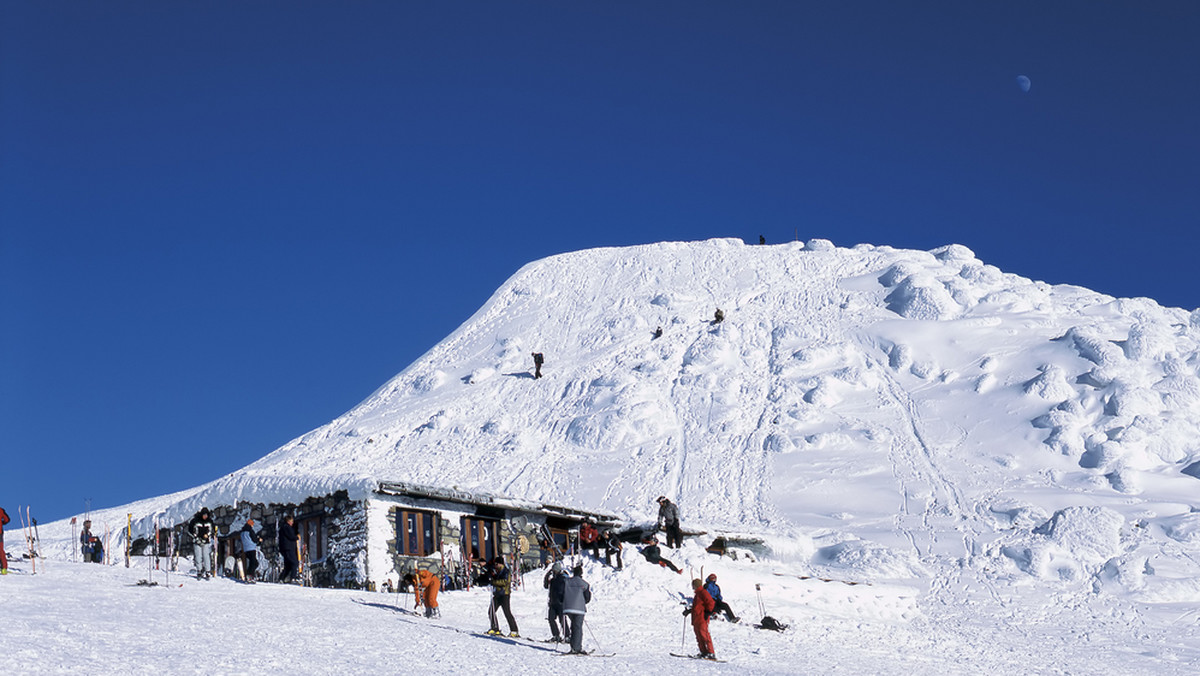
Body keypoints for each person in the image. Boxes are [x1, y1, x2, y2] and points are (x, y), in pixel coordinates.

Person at [483, 557, 520, 637]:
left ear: (501, 564)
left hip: (504, 595)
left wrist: (494, 582)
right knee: (491, 611)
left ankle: (514, 631)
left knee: (507, 612)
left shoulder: (506, 571)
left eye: (497, 564)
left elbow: (504, 582)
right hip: (497, 594)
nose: (495, 565)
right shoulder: (498, 571)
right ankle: (495, 628)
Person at [685, 577, 718, 660]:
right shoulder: (698, 594)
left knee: (704, 635)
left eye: (693, 585)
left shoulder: (703, 592)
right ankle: (703, 652)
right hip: (696, 618)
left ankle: (711, 653)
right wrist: (689, 611)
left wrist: (708, 612)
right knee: (699, 636)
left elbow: (711, 602)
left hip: (702, 618)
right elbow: (697, 607)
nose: (692, 587)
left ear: (696, 585)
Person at [562, 564, 592, 654]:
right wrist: (583, 602)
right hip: (579, 609)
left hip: (568, 608)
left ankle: (573, 647)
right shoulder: (584, 583)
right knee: (578, 628)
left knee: (573, 626)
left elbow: (561, 592)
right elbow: (587, 597)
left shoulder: (567, 581)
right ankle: (577, 648)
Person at [543, 560, 569, 642]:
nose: (553, 572)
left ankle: (567, 636)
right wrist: (547, 575)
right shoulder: (553, 579)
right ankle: (556, 635)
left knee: (562, 620)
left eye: (554, 571)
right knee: (551, 619)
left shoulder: (563, 578)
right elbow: (546, 586)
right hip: (553, 603)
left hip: (561, 603)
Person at [189, 508, 217, 579]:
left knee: (206, 556)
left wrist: (208, 535)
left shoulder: (209, 521)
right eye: (204, 515)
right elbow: (191, 530)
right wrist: (196, 538)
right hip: (197, 541)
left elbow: (212, 530)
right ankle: (199, 570)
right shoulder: (195, 521)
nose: (205, 517)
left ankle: (208, 571)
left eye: (206, 515)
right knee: (198, 556)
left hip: (206, 541)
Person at [278, 514, 300, 583]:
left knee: (288, 565)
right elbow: (291, 536)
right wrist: (297, 537)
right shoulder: (287, 527)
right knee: (294, 563)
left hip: (285, 548)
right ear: (288, 521)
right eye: (291, 521)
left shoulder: (283, 527)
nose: (292, 523)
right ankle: (293, 578)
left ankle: (281, 578)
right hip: (288, 548)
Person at [0, 506, 9, 574]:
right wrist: (2, 523)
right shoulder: (1, 510)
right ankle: (4, 568)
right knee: (0, 550)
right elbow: (7, 519)